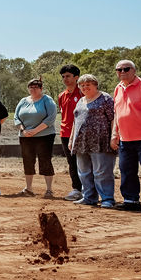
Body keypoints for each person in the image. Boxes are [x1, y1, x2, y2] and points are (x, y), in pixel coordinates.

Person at [110, 60, 141, 215]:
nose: (122, 72)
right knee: (126, 171)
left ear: (134, 70)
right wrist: (114, 133)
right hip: (125, 139)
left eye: (126, 69)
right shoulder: (118, 88)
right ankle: (131, 201)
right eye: (119, 69)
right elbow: (117, 113)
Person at [69, 74, 116, 208]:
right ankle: (88, 197)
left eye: (88, 85)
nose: (85, 87)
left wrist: (114, 135)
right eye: (82, 85)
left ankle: (107, 198)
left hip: (100, 140)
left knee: (101, 172)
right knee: (84, 171)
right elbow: (75, 121)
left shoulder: (105, 98)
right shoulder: (80, 101)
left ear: (95, 85)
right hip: (81, 141)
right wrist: (72, 139)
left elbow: (113, 118)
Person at [15, 78, 58, 197]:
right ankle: (29, 188)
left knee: (45, 160)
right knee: (28, 161)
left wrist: (35, 131)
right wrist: (24, 130)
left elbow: (51, 118)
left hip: (44, 136)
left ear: (41, 88)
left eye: (36, 87)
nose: (33, 89)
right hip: (25, 136)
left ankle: (49, 190)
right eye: (31, 87)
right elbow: (16, 117)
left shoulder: (47, 100)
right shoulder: (23, 101)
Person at [58, 64, 85, 201]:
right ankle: (76, 189)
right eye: (63, 77)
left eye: (68, 76)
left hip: (81, 134)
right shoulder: (62, 95)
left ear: (76, 77)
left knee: (85, 162)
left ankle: (89, 190)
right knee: (72, 162)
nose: (65, 79)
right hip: (65, 133)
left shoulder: (82, 93)